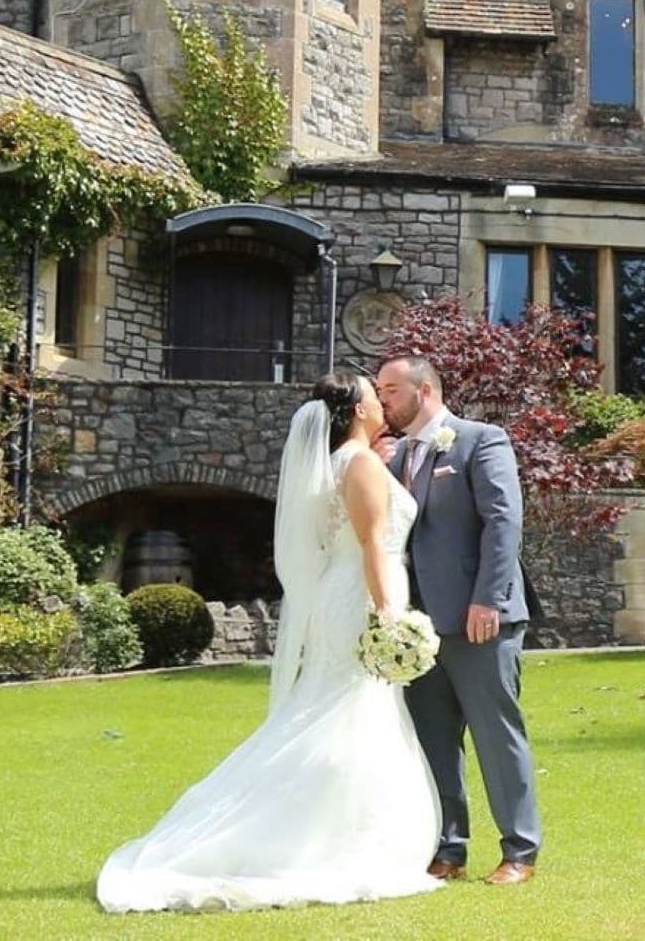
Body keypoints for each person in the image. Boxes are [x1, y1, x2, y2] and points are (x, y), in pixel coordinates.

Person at [94, 373, 444, 914]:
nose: (380, 398)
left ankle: (330, 826)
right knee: (351, 710)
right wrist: (391, 616)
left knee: (334, 707)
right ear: (356, 411)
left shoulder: (334, 465)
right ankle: (330, 838)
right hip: (361, 596)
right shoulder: (362, 464)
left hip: (340, 594)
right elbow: (375, 544)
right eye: (372, 392)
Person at [374, 353, 541, 885]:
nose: (383, 401)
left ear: (424, 391)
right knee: (434, 741)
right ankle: (449, 848)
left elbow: (503, 521)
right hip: (417, 630)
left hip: (479, 621)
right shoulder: (394, 454)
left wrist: (488, 599)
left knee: (497, 736)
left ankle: (520, 851)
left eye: (391, 391)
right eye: (379, 392)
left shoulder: (479, 439)